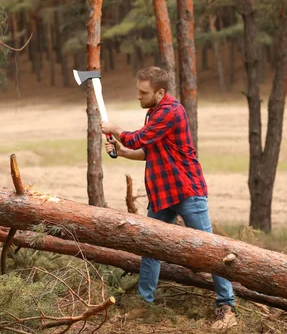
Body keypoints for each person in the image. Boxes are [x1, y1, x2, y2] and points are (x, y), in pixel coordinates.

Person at [100, 66, 237, 330]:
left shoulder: (171, 111)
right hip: (163, 195)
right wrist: (122, 151)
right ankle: (145, 304)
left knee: (211, 250)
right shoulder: (154, 112)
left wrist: (115, 129)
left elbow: (139, 138)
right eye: (138, 91)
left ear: (160, 92)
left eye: (143, 92)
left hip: (187, 191)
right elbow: (149, 150)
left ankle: (226, 307)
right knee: (150, 248)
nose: (138, 97)